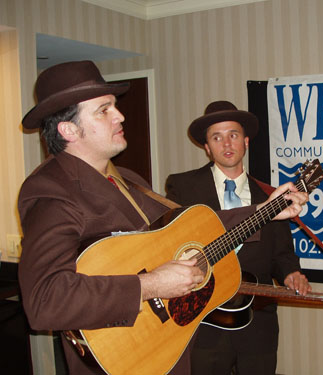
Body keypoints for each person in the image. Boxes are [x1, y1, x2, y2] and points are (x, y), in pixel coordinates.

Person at [17, 61, 308, 375]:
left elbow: (192, 227)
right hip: (121, 362)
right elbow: (44, 302)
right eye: (104, 110)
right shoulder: (50, 191)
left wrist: (265, 211)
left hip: (167, 354)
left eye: (114, 106)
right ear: (69, 129)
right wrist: (150, 285)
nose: (120, 115)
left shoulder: (126, 179)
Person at [165, 100, 312, 375]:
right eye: (216, 137)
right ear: (207, 147)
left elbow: (282, 253)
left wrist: (292, 273)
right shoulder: (182, 186)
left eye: (233, 135)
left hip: (258, 322)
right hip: (203, 321)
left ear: (245, 142)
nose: (226, 144)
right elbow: (170, 242)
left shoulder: (270, 195)